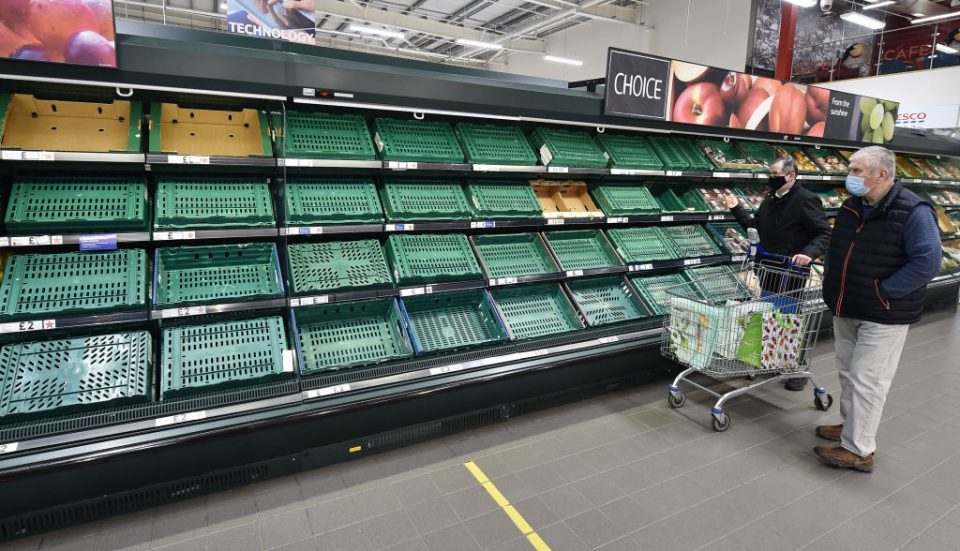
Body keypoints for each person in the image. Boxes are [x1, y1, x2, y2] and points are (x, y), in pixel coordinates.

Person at [815, 146, 942, 473]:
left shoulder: (914, 211)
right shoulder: (851, 207)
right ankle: (850, 428)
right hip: (846, 304)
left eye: (856, 170)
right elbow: (836, 249)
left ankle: (859, 450)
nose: (850, 176)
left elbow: (927, 262)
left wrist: (884, 292)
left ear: (881, 174)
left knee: (867, 379)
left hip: (884, 312)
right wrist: (832, 283)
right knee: (847, 373)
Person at [725, 155, 832, 391]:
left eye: (774, 175)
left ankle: (796, 368)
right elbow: (755, 229)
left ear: (790, 175)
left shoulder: (806, 200)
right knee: (769, 315)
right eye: (770, 175)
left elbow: (824, 233)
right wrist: (736, 208)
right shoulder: (771, 199)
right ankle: (770, 358)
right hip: (768, 267)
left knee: (789, 318)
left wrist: (808, 253)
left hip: (791, 270)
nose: (770, 179)